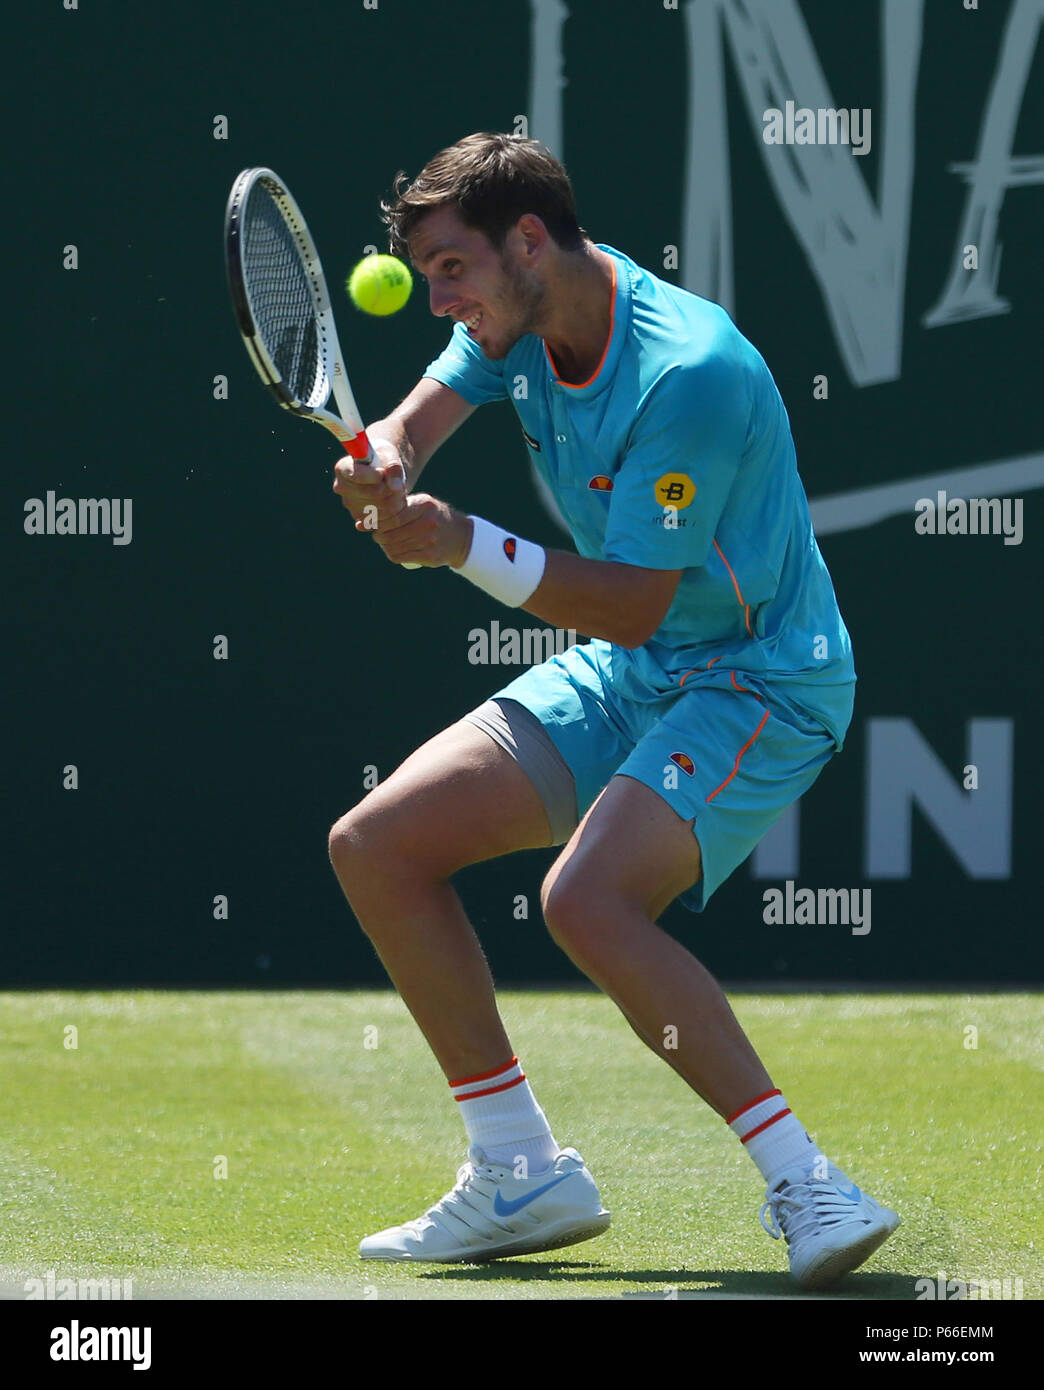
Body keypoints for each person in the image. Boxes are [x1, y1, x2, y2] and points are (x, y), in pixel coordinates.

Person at [327, 132, 898, 1288]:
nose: (438, 300)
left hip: (760, 676)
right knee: (378, 845)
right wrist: (379, 457)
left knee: (586, 899)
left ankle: (808, 1183)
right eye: (427, 274)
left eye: (452, 269)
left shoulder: (687, 372)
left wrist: (454, 544)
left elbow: (635, 603)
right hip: (637, 672)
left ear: (528, 239)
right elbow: (415, 424)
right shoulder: (520, 317)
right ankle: (518, 1171)